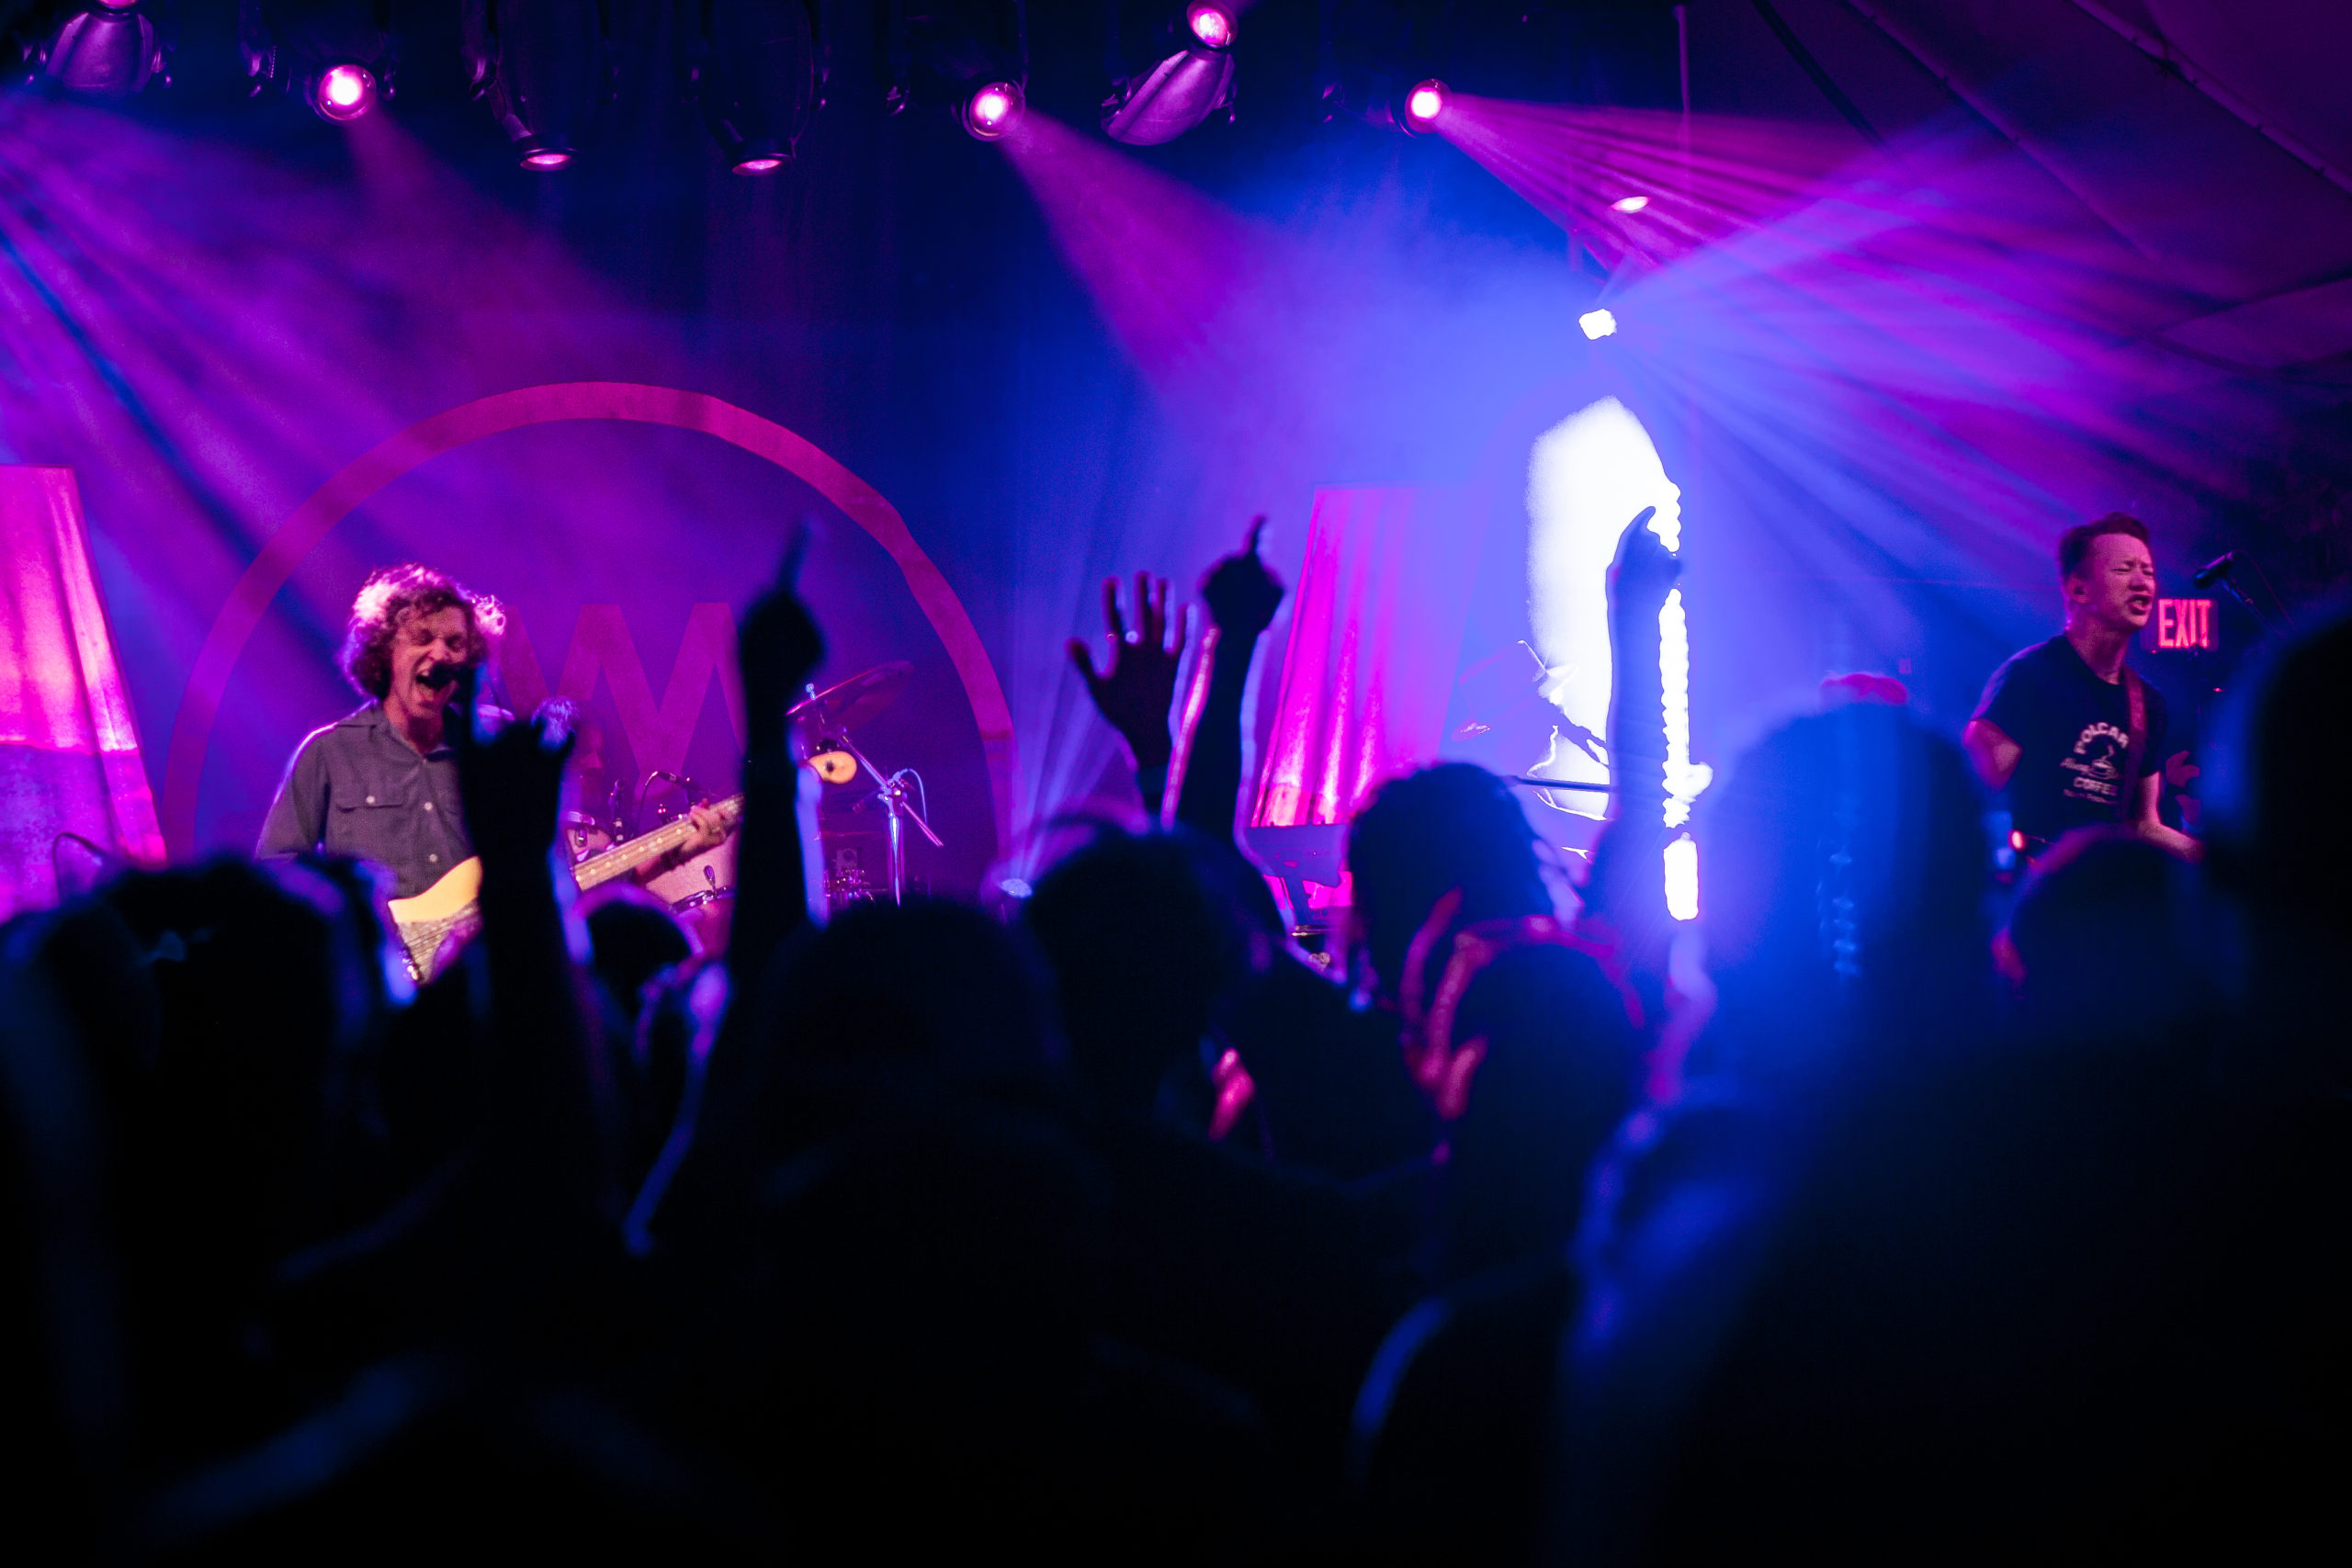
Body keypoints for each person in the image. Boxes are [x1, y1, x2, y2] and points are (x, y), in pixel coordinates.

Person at [257, 564, 729, 900]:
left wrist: (672, 854)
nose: (441, 654)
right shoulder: (329, 753)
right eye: (422, 639)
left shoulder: (499, 747)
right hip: (382, 992)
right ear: (383, 651)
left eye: (455, 643)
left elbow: (559, 883)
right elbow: (276, 881)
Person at [1962, 514, 2199, 860]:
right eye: (2124, 569)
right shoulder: (2028, 677)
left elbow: (2143, 824)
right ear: (2078, 589)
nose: (2142, 583)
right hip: (2033, 879)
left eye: (2148, 572)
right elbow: (1967, 798)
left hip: (2103, 885)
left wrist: (2218, 858)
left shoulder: (2147, 704)